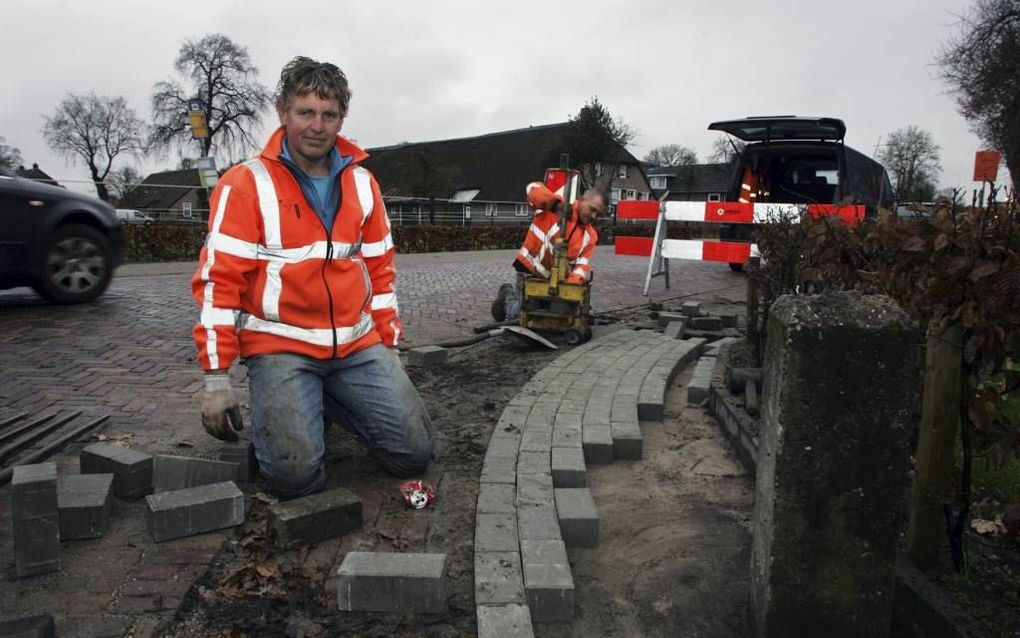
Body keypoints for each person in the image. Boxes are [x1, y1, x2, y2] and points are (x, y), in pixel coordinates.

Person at [191, 56, 434, 499]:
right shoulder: (244, 184)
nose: (317, 126)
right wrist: (216, 380)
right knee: (295, 480)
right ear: (283, 112)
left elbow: (381, 275)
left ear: (342, 118)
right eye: (305, 112)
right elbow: (217, 285)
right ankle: (297, 402)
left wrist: (390, 348)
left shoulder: (363, 185)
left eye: (329, 114)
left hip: (356, 346)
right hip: (282, 348)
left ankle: (321, 399)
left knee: (415, 455)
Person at [491, 181, 605, 322]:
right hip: (529, 272)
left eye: (598, 214)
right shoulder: (556, 206)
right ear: (582, 200)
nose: (593, 216)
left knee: (555, 317)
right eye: (592, 209)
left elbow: (581, 267)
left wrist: (570, 289)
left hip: (556, 284)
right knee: (519, 317)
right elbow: (532, 189)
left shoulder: (591, 236)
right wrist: (555, 205)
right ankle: (507, 296)